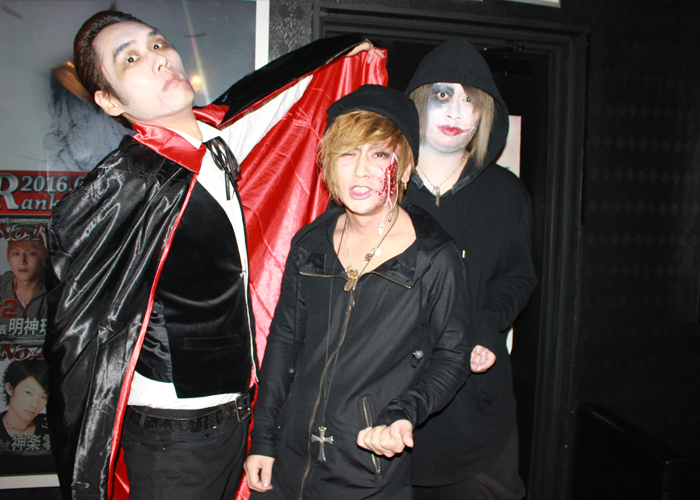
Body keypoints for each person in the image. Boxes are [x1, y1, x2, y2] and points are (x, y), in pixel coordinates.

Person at [45, 10, 375, 500]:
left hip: (234, 419)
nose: (159, 59)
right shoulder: (125, 182)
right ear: (110, 100)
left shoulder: (215, 138)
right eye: (130, 59)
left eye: (158, 44)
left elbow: (277, 92)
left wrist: (343, 50)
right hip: (172, 438)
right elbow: (77, 314)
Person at [244, 84, 493, 500]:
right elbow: (284, 344)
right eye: (347, 154)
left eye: (379, 155)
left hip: (368, 473)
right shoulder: (310, 244)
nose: (360, 171)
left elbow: (452, 356)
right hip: (287, 466)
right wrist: (264, 440)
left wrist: (404, 413)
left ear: (406, 169)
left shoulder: (433, 257)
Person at [404, 39, 538, 499]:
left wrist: (487, 325)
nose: (457, 111)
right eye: (443, 94)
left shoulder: (506, 193)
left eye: (471, 100)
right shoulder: (378, 186)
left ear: (485, 114)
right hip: (390, 406)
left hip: (477, 411)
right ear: (419, 99)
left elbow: (518, 276)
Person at [0, 238, 48, 340]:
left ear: (42, 258)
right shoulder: (2, 286)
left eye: (30, 254)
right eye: (16, 254)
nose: (22, 262)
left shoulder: (57, 290)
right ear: (9, 258)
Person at [1, 359, 51, 455]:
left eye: (43, 397)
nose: (34, 404)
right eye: (28, 393)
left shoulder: (50, 425)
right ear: (10, 389)